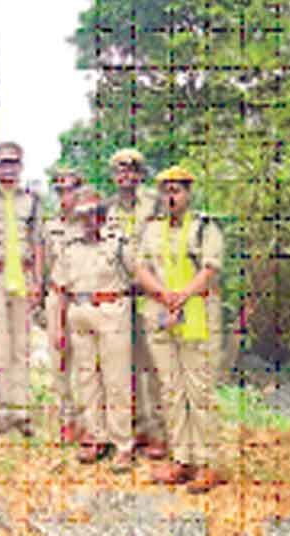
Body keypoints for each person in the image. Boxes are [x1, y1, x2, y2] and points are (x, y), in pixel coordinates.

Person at [135, 166, 226, 493]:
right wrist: (163, 295)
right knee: (171, 390)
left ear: (188, 193)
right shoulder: (152, 230)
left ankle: (207, 462)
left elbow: (210, 268)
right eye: (165, 190)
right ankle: (182, 459)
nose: (170, 196)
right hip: (161, 314)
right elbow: (141, 267)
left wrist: (182, 297)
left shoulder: (204, 228)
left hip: (196, 314)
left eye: (177, 190)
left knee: (198, 391)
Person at [60, 189, 139, 471]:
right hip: (79, 312)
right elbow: (59, 286)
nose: (88, 220)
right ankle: (95, 436)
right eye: (82, 215)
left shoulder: (118, 243)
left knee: (116, 380)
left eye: (93, 213)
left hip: (111, 310)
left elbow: (138, 275)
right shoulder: (70, 247)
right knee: (87, 378)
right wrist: (59, 326)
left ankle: (123, 444)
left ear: (102, 215)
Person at [105, 148, 167, 459]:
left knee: (151, 365)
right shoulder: (109, 209)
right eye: (119, 170)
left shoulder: (154, 204)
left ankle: (157, 432)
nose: (125, 176)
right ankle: (134, 428)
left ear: (140, 174)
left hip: (150, 293)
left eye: (131, 170)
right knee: (122, 366)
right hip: (119, 294)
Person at [0, 142, 42, 436]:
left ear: (20, 167)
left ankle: (22, 410)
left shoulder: (31, 200)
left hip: (25, 276)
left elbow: (37, 242)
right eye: (3, 163)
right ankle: (3, 411)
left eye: (13, 163)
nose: (8, 169)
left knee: (22, 346)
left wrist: (38, 283)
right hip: (1, 275)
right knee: (1, 347)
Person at [40, 161, 85, 444]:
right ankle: (67, 418)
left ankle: (89, 422)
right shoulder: (50, 226)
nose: (66, 196)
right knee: (59, 360)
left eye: (71, 190)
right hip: (58, 296)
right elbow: (45, 264)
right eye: (61, 191)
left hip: (83, 299)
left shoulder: (92, 224)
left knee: (86, 362)